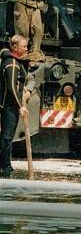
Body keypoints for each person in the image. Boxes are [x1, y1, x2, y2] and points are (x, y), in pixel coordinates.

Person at [0, 35, 36, 178]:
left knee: (6, 136)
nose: (26, 48)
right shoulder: (12, 63)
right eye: (24, 46)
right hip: (9, 105)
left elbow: (23, 81)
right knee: (7, 137)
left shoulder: (15, 61)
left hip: (10, 104)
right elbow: (11, 88)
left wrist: (27, 89)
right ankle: (5, 166)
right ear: (15, 47)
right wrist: (20, 106)